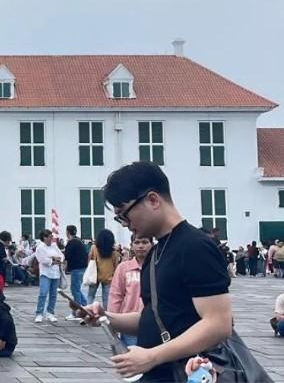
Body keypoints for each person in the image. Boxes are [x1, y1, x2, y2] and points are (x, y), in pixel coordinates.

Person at [81, 161, 239, 382]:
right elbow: (154, 318)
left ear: (153, 200)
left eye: (125, 214)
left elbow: (218, 324)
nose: (125, 224)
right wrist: (106, 318)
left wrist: (151, 356)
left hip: (189, 373)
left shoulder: (195, 246)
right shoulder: (156, 252)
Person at [108, 234, 153, 346]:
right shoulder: (124, 268)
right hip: (128, 322)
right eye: (137, 243)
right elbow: (116, 295)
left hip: (152, 322)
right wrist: (112, 321)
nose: (141, 246)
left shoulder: (157, 266)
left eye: (145, 242)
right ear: (131, 245)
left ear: (152, 244)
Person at [34, 229, 62, 323]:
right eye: (50, 237)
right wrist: (54, 259)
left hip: (55, 273)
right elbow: (43, 260)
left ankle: (50, 312)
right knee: (43, 293)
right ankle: (39, 313)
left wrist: (55, 259)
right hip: (45, 273)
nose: (51, 238)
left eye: (52, 236)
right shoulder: (40, 248)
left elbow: (61, 256)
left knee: (53, 294)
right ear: (44, 238)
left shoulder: (54, 246)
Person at [88, 229, 121, 309]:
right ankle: (106, 315)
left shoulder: (94, 248)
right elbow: (116, 266)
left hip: (94, 276)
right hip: (108, 278)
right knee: (106, 299)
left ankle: (87, 312)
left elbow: (89, 260)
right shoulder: (114, 252)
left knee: (90, 296)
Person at [64, 225, 88, 319]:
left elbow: (67, 256)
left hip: (76, 269)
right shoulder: (79, 242)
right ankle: (85, 305)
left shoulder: (71, 243)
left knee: (75, 290)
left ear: (68, 232)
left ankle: (77, 312)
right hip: (82, 268)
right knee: (77, 289)